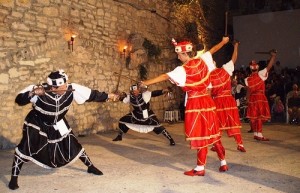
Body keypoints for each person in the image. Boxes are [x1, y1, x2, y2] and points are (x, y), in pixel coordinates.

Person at [8, 70, 118, 190]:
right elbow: (19, 100)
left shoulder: (72, 88)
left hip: (58, 122)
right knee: (26, 147)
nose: (66, 87)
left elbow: (92, 95)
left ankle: (90, 166)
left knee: (72, 143)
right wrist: (32, 93)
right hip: (38, 123)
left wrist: (109, 96)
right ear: (53, 87)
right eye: (62, 86)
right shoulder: (38, 90)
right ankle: (14, 178)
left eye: (66, 84)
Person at [140, 36, 230, 176]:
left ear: (184, 53)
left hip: (196, 103)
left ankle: (200, 168)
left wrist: (146, 82)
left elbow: (164, 76)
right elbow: (213, 49)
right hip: (208, 101)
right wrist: (224, 42)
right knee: (213, 133)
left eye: (179, 54)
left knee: (201, 134)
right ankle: (223, 163)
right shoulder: (203, 60)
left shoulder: (182, 70)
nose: (178, 57)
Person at [209, 40, 246, 152]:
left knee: (217, 124)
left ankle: (216, 144)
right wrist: (236, 46)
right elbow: (234, 59)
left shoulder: (207, 77)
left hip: (217, 102)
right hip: (229, 100)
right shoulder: (225, 69)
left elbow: (208, 93)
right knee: (233, 121)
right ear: (215, 64)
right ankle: (240, 144)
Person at [245, 50, 277, 141]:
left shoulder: (247, 79)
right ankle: (259, 135)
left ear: (251, 69)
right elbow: (269, 66)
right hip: (260, 98)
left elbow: (248, 90)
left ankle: (256, 133)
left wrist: (248, 99)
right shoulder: (261, 74)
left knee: (255, 117)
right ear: (257, 68)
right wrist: (273, 57)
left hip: (252, 98)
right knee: (259, 117)